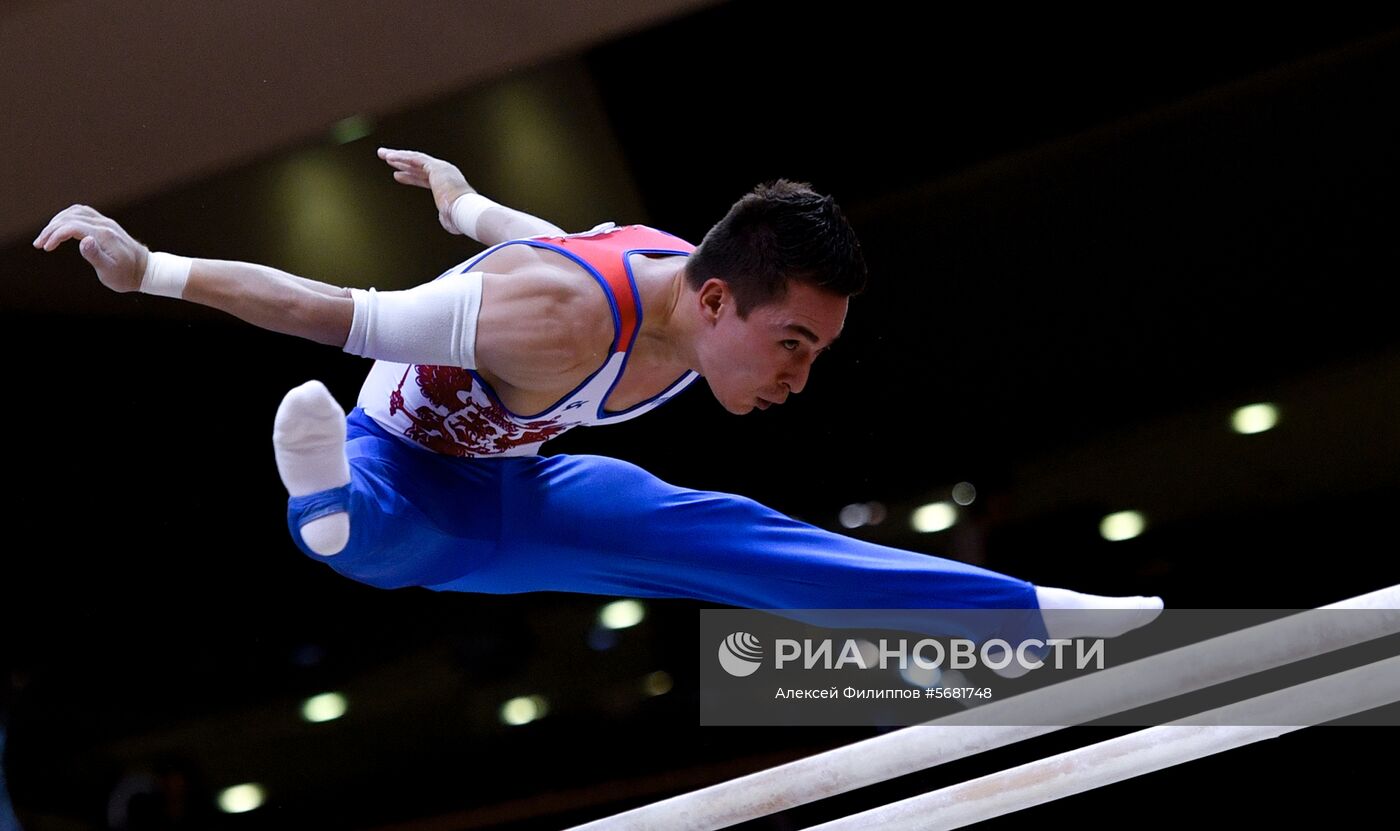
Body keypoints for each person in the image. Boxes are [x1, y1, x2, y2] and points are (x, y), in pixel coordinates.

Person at [32, 147, 1163, 674]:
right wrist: (156, 273)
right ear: (715, 300)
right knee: (392, 527)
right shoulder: (548, 322)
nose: (798, 377)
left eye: (814, 352)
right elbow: (331, 307)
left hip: (522, 482)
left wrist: (466, 201)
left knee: (719, 533)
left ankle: (1016, 610)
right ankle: (326, 505)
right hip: (402, 460)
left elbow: (542, 230)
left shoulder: (683, 277)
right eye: (791, 346)